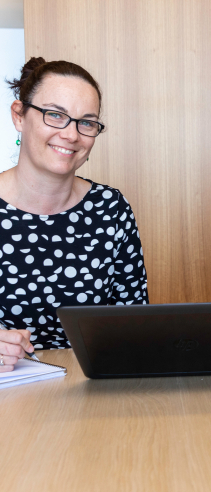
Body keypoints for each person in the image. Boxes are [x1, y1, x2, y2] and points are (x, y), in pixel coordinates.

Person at [0, 58, 148, 372]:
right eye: (55, 115)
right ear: (19, 116)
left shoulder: (111, 209)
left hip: (88, 389)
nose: (71, 134)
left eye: (86, 122)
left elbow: (134, 325)